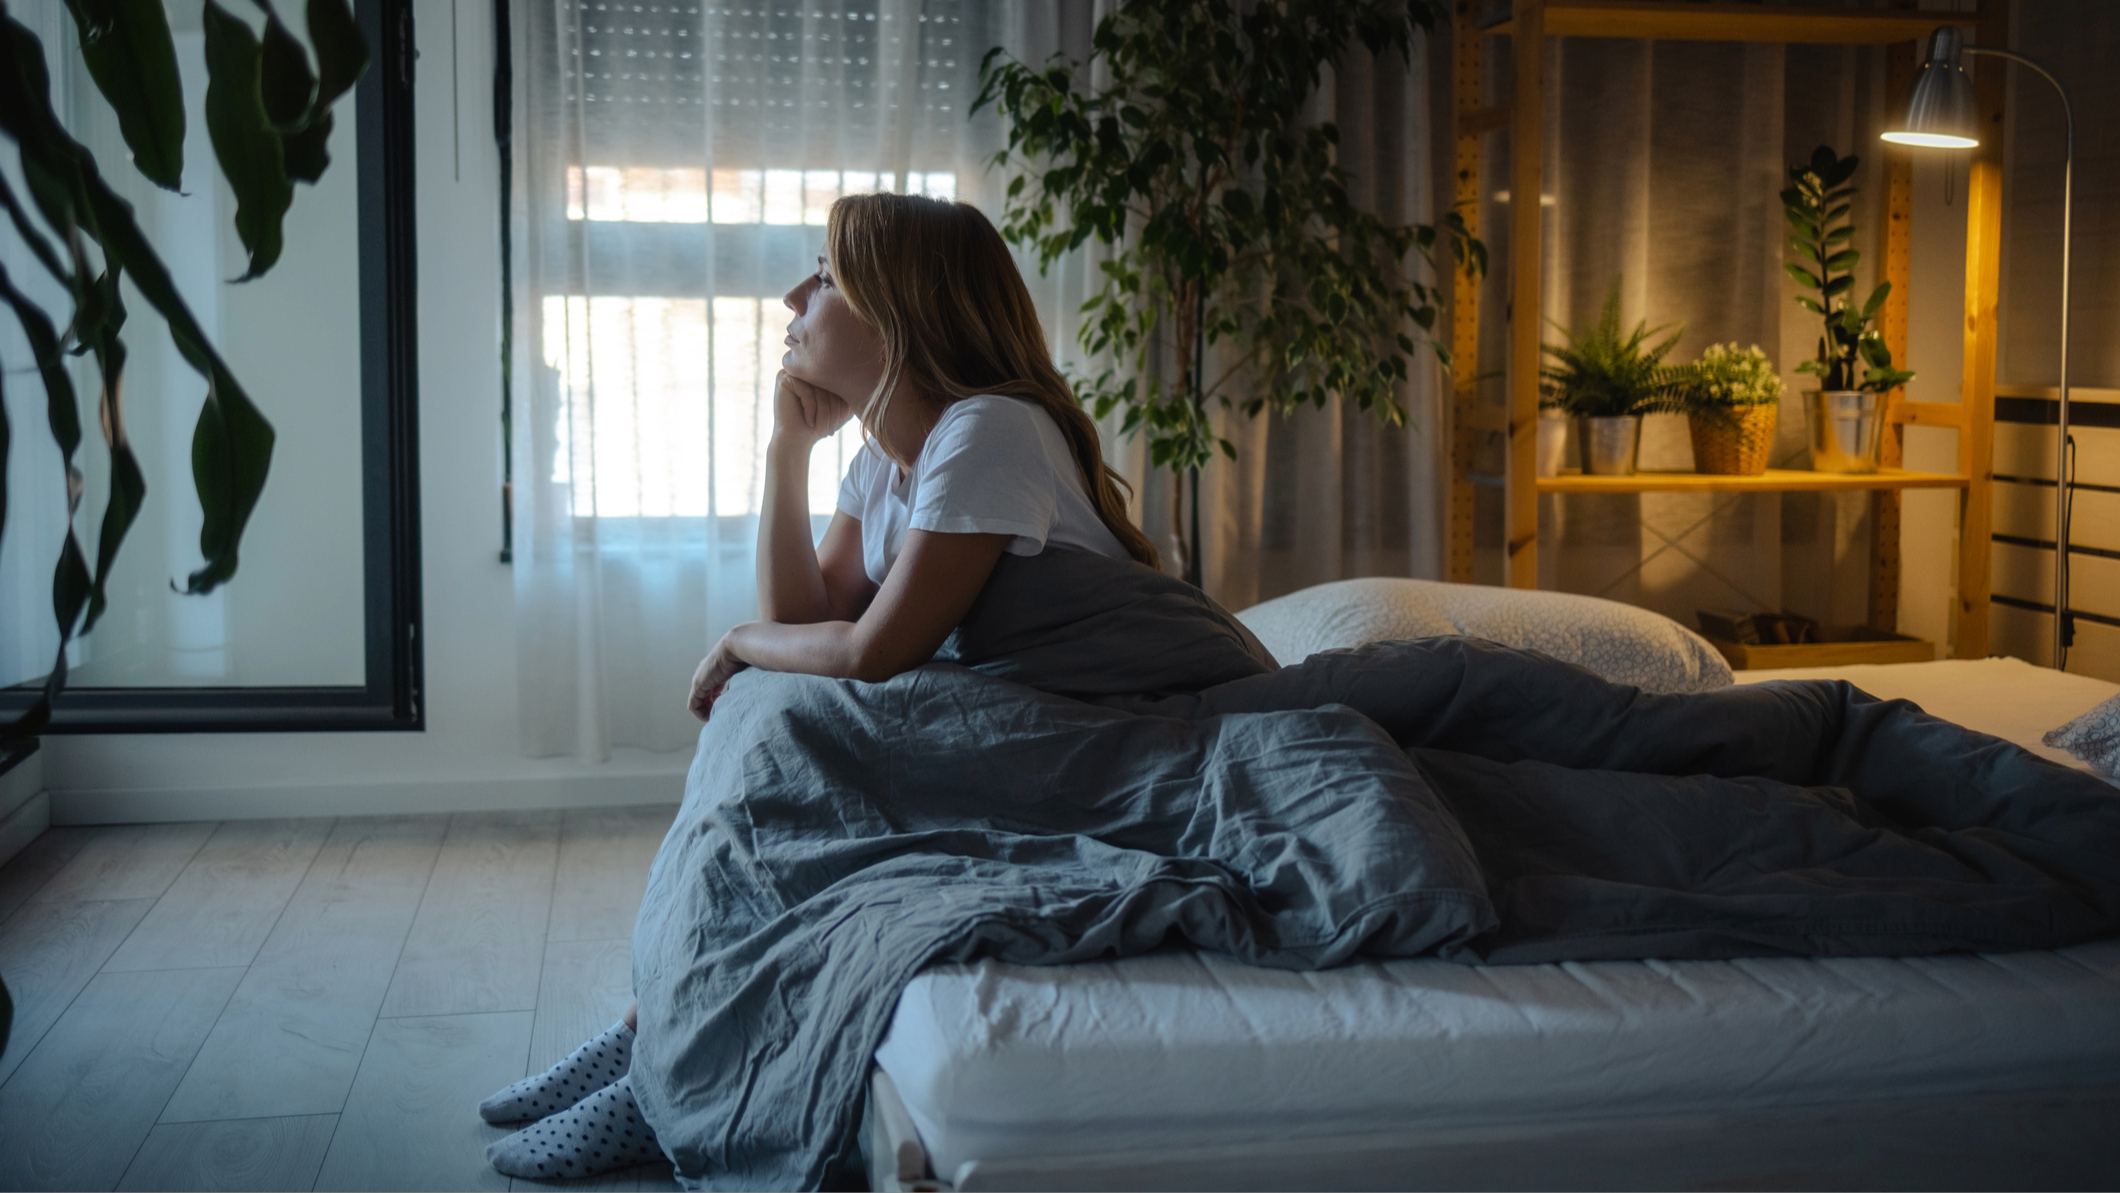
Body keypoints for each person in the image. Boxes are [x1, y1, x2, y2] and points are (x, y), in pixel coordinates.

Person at [478, 192, 1158, 1180]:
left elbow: (868, 650)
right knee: (767, 714)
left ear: (899, 308)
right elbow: (810, 625)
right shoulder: (891, 459)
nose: (793, 295)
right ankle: (653, 1031)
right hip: (1009, 716)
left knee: (768, 725)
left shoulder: (988, 431)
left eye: (827, 276)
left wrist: (736, 642)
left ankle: (664, 1061)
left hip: (1089, 732)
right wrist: (787, 448)